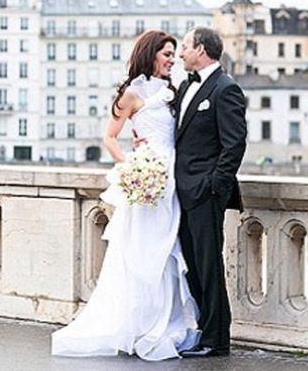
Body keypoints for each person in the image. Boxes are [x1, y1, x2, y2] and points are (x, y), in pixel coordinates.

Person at [51, 30, 200, 361]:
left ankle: (168, 322)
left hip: (172, 176)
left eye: (174, 53)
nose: (172, 59)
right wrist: (133, 168)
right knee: (145, 250)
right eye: (166, 54)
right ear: (150, 55)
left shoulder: (173, 90)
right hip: (149, 179)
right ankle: (141, 326)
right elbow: (109, 137)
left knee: (168, 252)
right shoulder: (132, 94)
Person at [174, 27, 246, 358]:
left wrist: (215, 186)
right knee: (193, 264)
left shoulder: (225, 88)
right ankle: (205, 330)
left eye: (185, 47)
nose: (180, 53)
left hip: (206, 194)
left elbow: (234, 144)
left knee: (209, 265)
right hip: (184, 193)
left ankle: (217, 340)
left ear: (201, 50)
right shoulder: (187, 86)